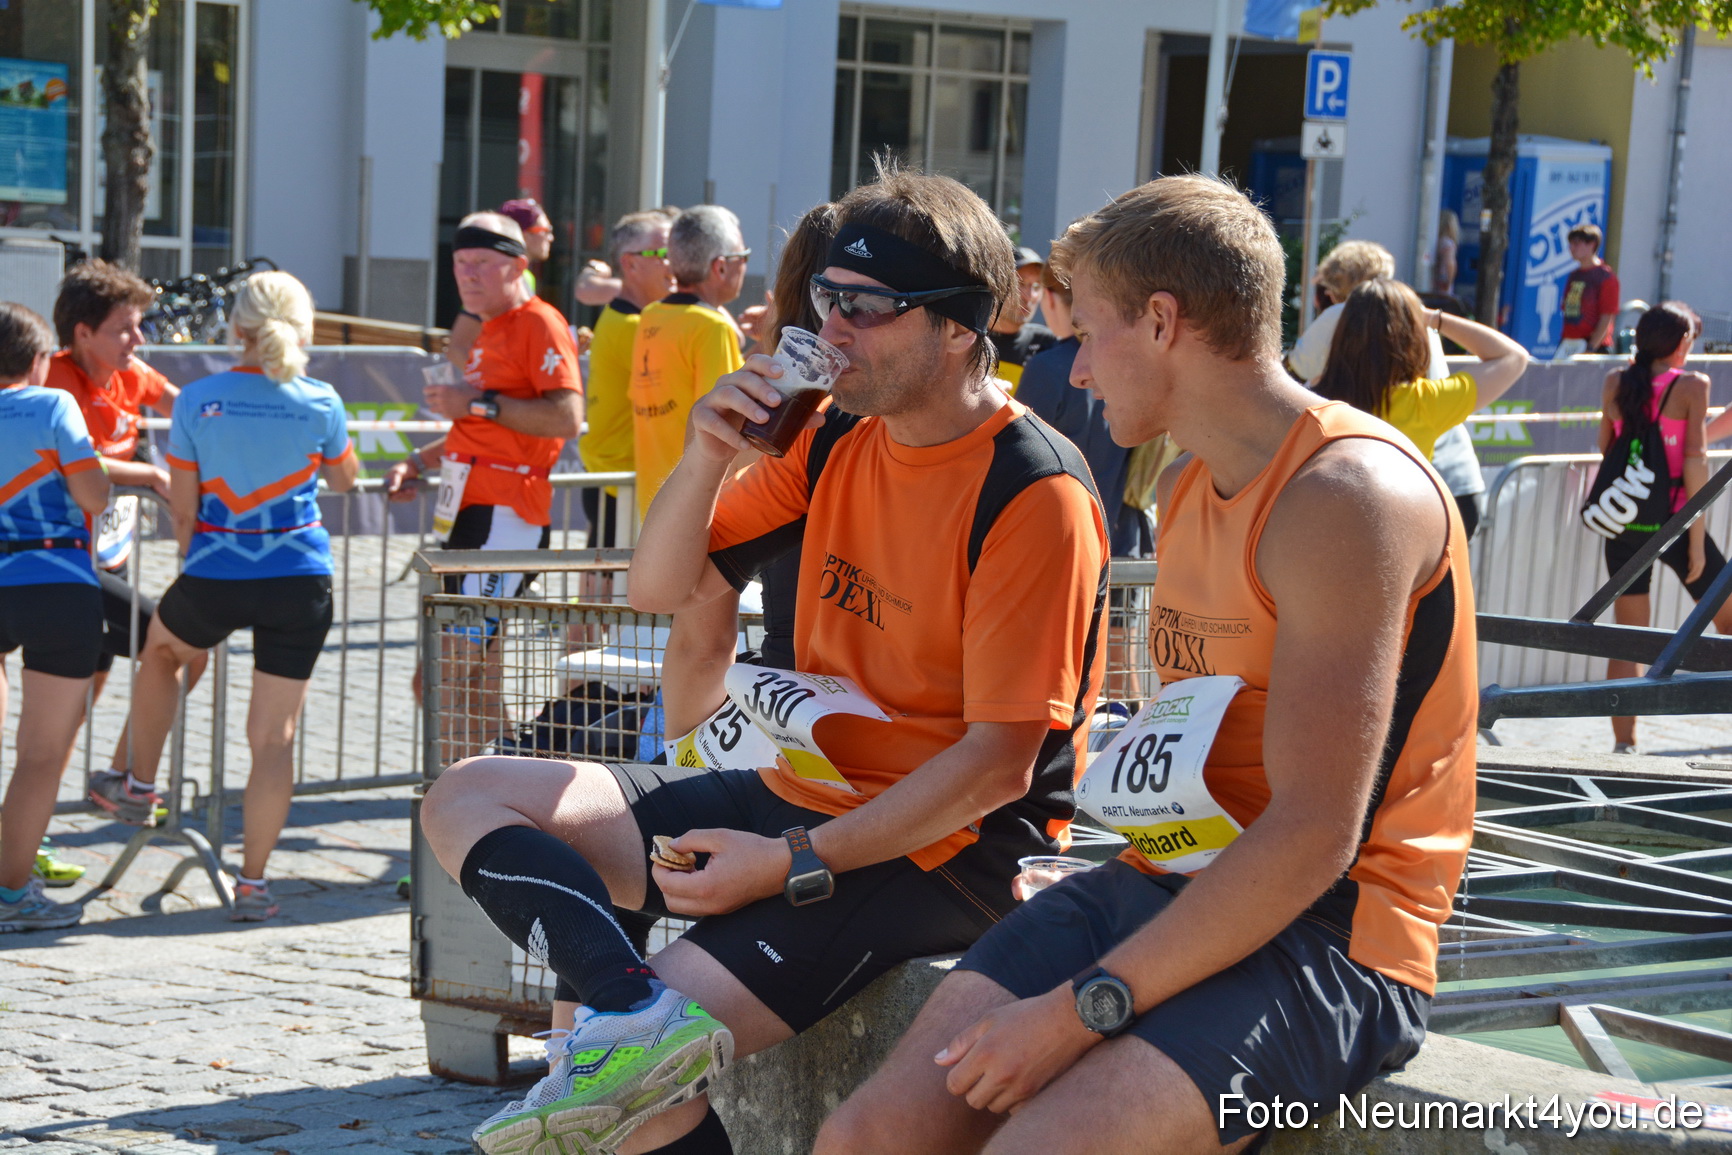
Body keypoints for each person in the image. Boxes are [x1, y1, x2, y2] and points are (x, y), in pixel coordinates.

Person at [421, 166, 1109, 1155]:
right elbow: (658, 590)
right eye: (827, 298)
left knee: (624, 1094)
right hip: (808, 794)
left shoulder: (1032, 486)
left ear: (960, 327)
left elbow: (999, 766)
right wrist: (706, 453)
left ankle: (629, 1040)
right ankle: (625, 1021)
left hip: (947, 848)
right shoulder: (831, 433)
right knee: (469, 793)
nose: (831, 330)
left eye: (866, 308)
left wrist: (789, 864)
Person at [818, 174, 1478, 1155]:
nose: (1072, 371)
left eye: (1085, 332)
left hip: (1335, 934)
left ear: (1162, 322)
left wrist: (1082, 1010)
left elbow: (1310, 835)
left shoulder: (1347, 494)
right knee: (866, 1139)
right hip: (1167, 877)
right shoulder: (1182, 481)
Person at [87, 273, 358, 920]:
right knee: (273, 739)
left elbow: (183, 510)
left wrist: (196, 562)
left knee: (160, 651)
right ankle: (255, 884)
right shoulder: (319, 397)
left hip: (217, 570)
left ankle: (140, 784)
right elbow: (347, 479)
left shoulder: (200, 398)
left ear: (234, 327)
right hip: (300, 576)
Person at [385, 212, 583, 759]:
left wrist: (473, 402)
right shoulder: (486, 327)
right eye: (459, 264)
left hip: (507, 517)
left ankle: (462, 811)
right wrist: (418, 461)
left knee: (441, 678)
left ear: (518, 264)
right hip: (469, 513)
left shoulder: (539, 321)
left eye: (482, 263)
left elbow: (567, 417)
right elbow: (479, 428)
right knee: (474, 681)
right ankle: (504, 795)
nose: (468, 275)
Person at [47, 260, 210, 782]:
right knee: (178, 647)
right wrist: (146, 472)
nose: (138, 339)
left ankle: (103, 786)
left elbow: (190, 411)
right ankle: (122, 781)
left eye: (140, 324)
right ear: (83, 333)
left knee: (81, 697)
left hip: (109, 557)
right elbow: (70, 457)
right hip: (59, 562)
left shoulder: (132, 374)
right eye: (125, 328)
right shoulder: (53, 379)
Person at [0, 303, 111, 933]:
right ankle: (13, 894)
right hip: (54, 585)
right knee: (39, 758)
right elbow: (93, 494)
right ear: (40, 360)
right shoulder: (51, 405)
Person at [1597, 302, 1732, 755]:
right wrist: (1696, 539)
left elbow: (1606, 447)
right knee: (1729, 619)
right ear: (1679, 344)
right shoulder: (1692, 385)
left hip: (1625, 524)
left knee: (1629, 637)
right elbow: (1695, 461)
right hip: (1675, 522)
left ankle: (1624, 746)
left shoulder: (1617, 380)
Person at [1016, 260, 1153, 701]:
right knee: (1120, 670)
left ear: (1053, 300)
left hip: (1059, 546)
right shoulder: (1131, 362)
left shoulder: (1049, 368)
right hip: (1125, 538)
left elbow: (1015, 459)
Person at [1289, 240, 1489, 536]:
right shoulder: (1413, 318)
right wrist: (1436, 318)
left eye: (1328, 292)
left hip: (1392, 480)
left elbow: (1295, 369)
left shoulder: (1341, 316)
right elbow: (1511, 358)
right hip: (1451, 473)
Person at [1313, 277, 1529, 459]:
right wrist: (1430, 317)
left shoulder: (1314, 400)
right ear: (1411, 338)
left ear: (1344, 333)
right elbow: (1513, 357)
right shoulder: (1424, 403)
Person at [628, 205, 749, 520]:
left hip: (656, 499)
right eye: (743, 257)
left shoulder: (652, 314)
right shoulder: (711, 327)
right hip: (701, 508)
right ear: (720, 267)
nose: (745, 266)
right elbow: (726, 419)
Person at [580, 211, 675, 549]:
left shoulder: (626, 318)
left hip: (616, 482)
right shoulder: (637, 328)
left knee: (603, 592)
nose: (673, 262)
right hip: (622, 486)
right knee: (611, 596)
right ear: (630, 264)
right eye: (662, 252)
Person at [447, 198, 556, 370]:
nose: (550, 237)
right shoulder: (502, 277)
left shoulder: (524, 277)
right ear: (524, 234)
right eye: (545, 230)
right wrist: (491, 388)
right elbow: (458, 347)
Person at [986, 246, 1058, 391]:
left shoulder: (1050, 344)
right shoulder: (966, 339)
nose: (1029, 295)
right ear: (995, 285)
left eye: (1037, 286)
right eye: (1020, 283)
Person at [1561, 224, 1620, 353]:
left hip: (1593, 346)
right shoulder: (1574, 275)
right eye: (1570, 244)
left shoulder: (1605, 277)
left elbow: (1607, 317)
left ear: (1592, 244)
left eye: (1576, 243)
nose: (1571, 248)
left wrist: (1591, 348)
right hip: (1570, 343)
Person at [1433, 209, 1459, 296]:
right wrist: (1449, 282)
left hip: (1435, 281)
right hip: (1443, 281)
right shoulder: (1448, 243)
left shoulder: (1437, 241)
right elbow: (1450, 264)